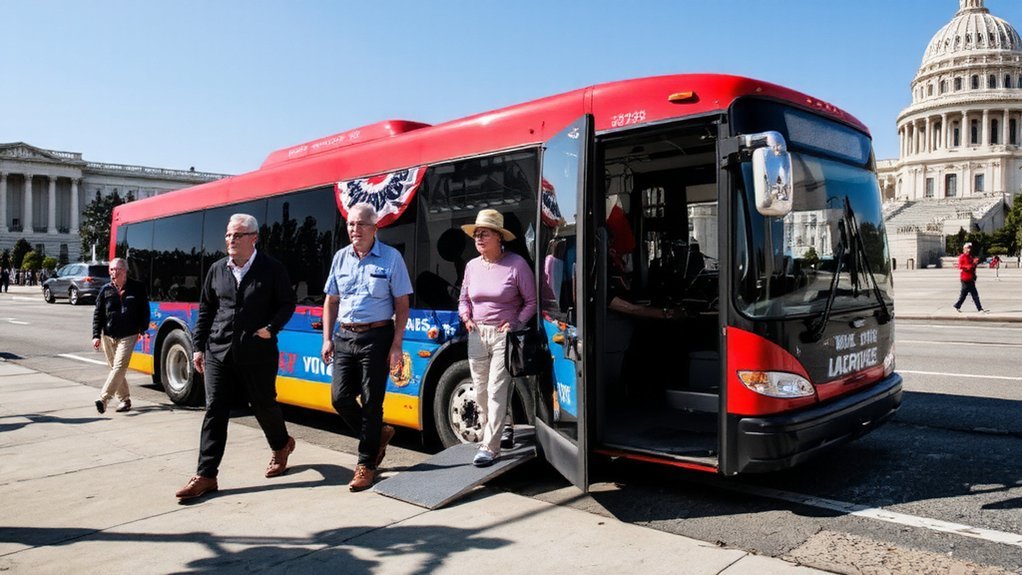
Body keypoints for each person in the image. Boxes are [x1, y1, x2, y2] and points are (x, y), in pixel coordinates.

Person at [175, 213, 298, 501]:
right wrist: (197, 346)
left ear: (253, 238)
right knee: (215, 409)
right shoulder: (217, 269)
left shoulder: (272, 269)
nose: (231, 239)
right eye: (229, 234)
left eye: (238, 235)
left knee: (263, 404)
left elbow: (287, 303)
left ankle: (282, 445)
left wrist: (271, 328)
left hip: (257, 351)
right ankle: (206, 475)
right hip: (219, 350)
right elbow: (206, 309)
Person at [321, 203, 412, 491]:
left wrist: (397, 344)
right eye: (350, 224)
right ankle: (380, 434)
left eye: (361, 224)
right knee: (340, 398)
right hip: (345, 336)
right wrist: (327, 337)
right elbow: (331, 301)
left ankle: (365, 463)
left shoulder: (391, 258)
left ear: (375, 228)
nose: (354, 230)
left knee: (373, 403)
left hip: (377, 336)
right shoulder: (340, 258)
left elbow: (402, 303)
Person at [458, 209, 537, 467]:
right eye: (476, 234)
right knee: (480, 391)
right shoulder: (471, 266)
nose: (478, 238)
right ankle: (506, 425)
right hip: (476, 334)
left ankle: (489, 448)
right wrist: (466, 316)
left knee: (495, 390)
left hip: (504, 336)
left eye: (484, 234)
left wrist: (514, 324)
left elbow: (531, 301)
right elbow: (464, 299)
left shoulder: (516, 265)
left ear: (499, 237)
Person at [91, 258, 150, 413]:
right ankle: (125, 400)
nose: (113, 273)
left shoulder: (137, 288)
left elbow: (145, 310)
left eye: (116, 269)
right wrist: (96, 335)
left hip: (129, 334)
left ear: (124, 271)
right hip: (108, 335)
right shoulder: (106, 290)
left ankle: (103, 399)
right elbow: (98, 314)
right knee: (115, 369)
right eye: (111, 270)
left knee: (119, 367)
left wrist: (143, 328)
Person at [953, 242, 987, 313]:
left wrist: (975, 263)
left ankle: (979, 308)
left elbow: (973, 266)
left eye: (970, 248)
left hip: (970, 278)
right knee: (967, 294)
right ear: (964, 249)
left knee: (971, 294)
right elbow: (960, 266)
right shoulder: (962, 256)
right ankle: (979, 309)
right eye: (967, 248)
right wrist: (969, 266)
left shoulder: (970, 257)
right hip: (965, 278)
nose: (969, 250)